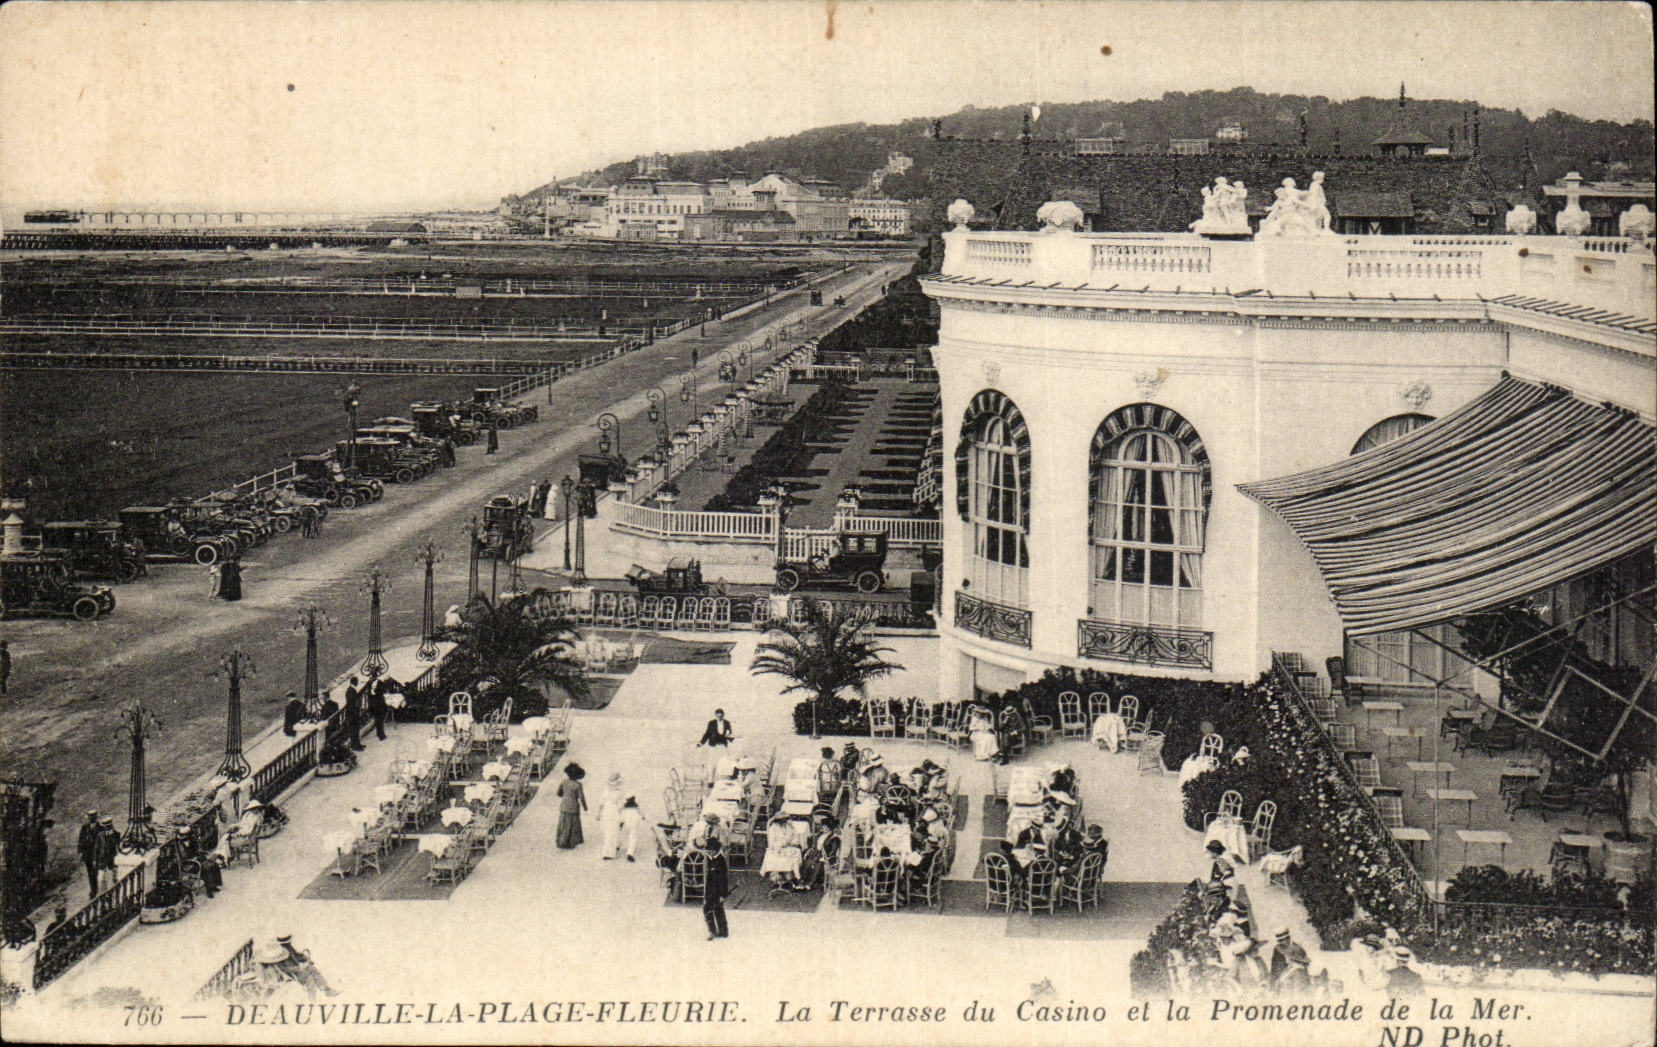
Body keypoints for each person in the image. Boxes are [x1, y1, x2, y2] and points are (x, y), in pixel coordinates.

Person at [274, 934, 341, 998]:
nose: (290, 944)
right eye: (288, 943)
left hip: (301, 973)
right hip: (294, 977)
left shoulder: (290, 949)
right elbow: (284, 969)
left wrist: (306, 959)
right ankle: (327, 990)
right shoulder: (280, 954)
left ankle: (312, 1000)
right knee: (311, 969)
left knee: (311, 978)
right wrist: (301, 967)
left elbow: (298, 956)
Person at [702, 835, 731, 940]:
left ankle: (714, 931)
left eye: (711, 850)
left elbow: (723, 879)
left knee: (710, 909)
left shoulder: (720, 860)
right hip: (710, 890)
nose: (709, 852)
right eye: (708, 850)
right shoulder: (711, 859)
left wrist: (723, 894)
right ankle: (722, 931)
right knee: (717, 910)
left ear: (715, 850)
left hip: (717, 891)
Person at [555, 762, 587, 849]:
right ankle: (571, 841)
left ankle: (561, 840)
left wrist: (565, 795)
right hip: (573, 806)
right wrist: (585, 807)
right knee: (573, 823)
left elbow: (558, 793)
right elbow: (582, 798)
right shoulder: (578, 785)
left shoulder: (564, 782)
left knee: (563, 823)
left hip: (564, 805)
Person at [598, 772, 625, 860]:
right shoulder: (619, 793)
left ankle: (616, 845)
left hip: (606, 810)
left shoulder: (605, 790)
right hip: (614, 811)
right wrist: (622, 816)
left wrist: (599, 813)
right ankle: (608, 853)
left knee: (609, 830)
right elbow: (621, 806)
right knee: (612, 831)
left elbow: (601, 802)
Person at [77, 810, 101, 895]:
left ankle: (98, 888)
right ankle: (93, 890)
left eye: (93, 817)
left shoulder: (100, 827)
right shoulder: (85, 827)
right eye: (90, 818)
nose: (91, 819)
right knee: (90, 872)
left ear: (96, 818)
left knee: (97, 871)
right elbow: (80, 840)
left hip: (97, 853)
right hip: (87, 854)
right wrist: (80, 852)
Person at [93, 815, 120, 892]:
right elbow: (96, 847)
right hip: (102, 859)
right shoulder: (100, 835)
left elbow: (118, 846)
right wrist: (94, 859)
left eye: (108, 826)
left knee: (115, 875)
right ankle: (103, 893)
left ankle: (115, 890)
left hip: (112, 858)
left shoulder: (116, 834)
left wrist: (113, 834)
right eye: (105, 827)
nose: (107, 828)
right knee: (102, 878)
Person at [615, 795, 643, 862]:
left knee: (621, 836)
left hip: (626, 824)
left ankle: (617, 846)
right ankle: (630, 853)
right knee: (632, 838)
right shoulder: (636, 807)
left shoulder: (624, 808)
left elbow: (621, 817)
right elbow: (642, 814)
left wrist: (620, 823)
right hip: (634, 824)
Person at [343, 677, 366, 751]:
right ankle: (355, 746)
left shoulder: (351, 690)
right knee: (354, 730)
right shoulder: (350, 691)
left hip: (353, 714)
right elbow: (351, 704)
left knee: (356, 730)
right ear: (355, 682)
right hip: (352, 715)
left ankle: (357, 744)